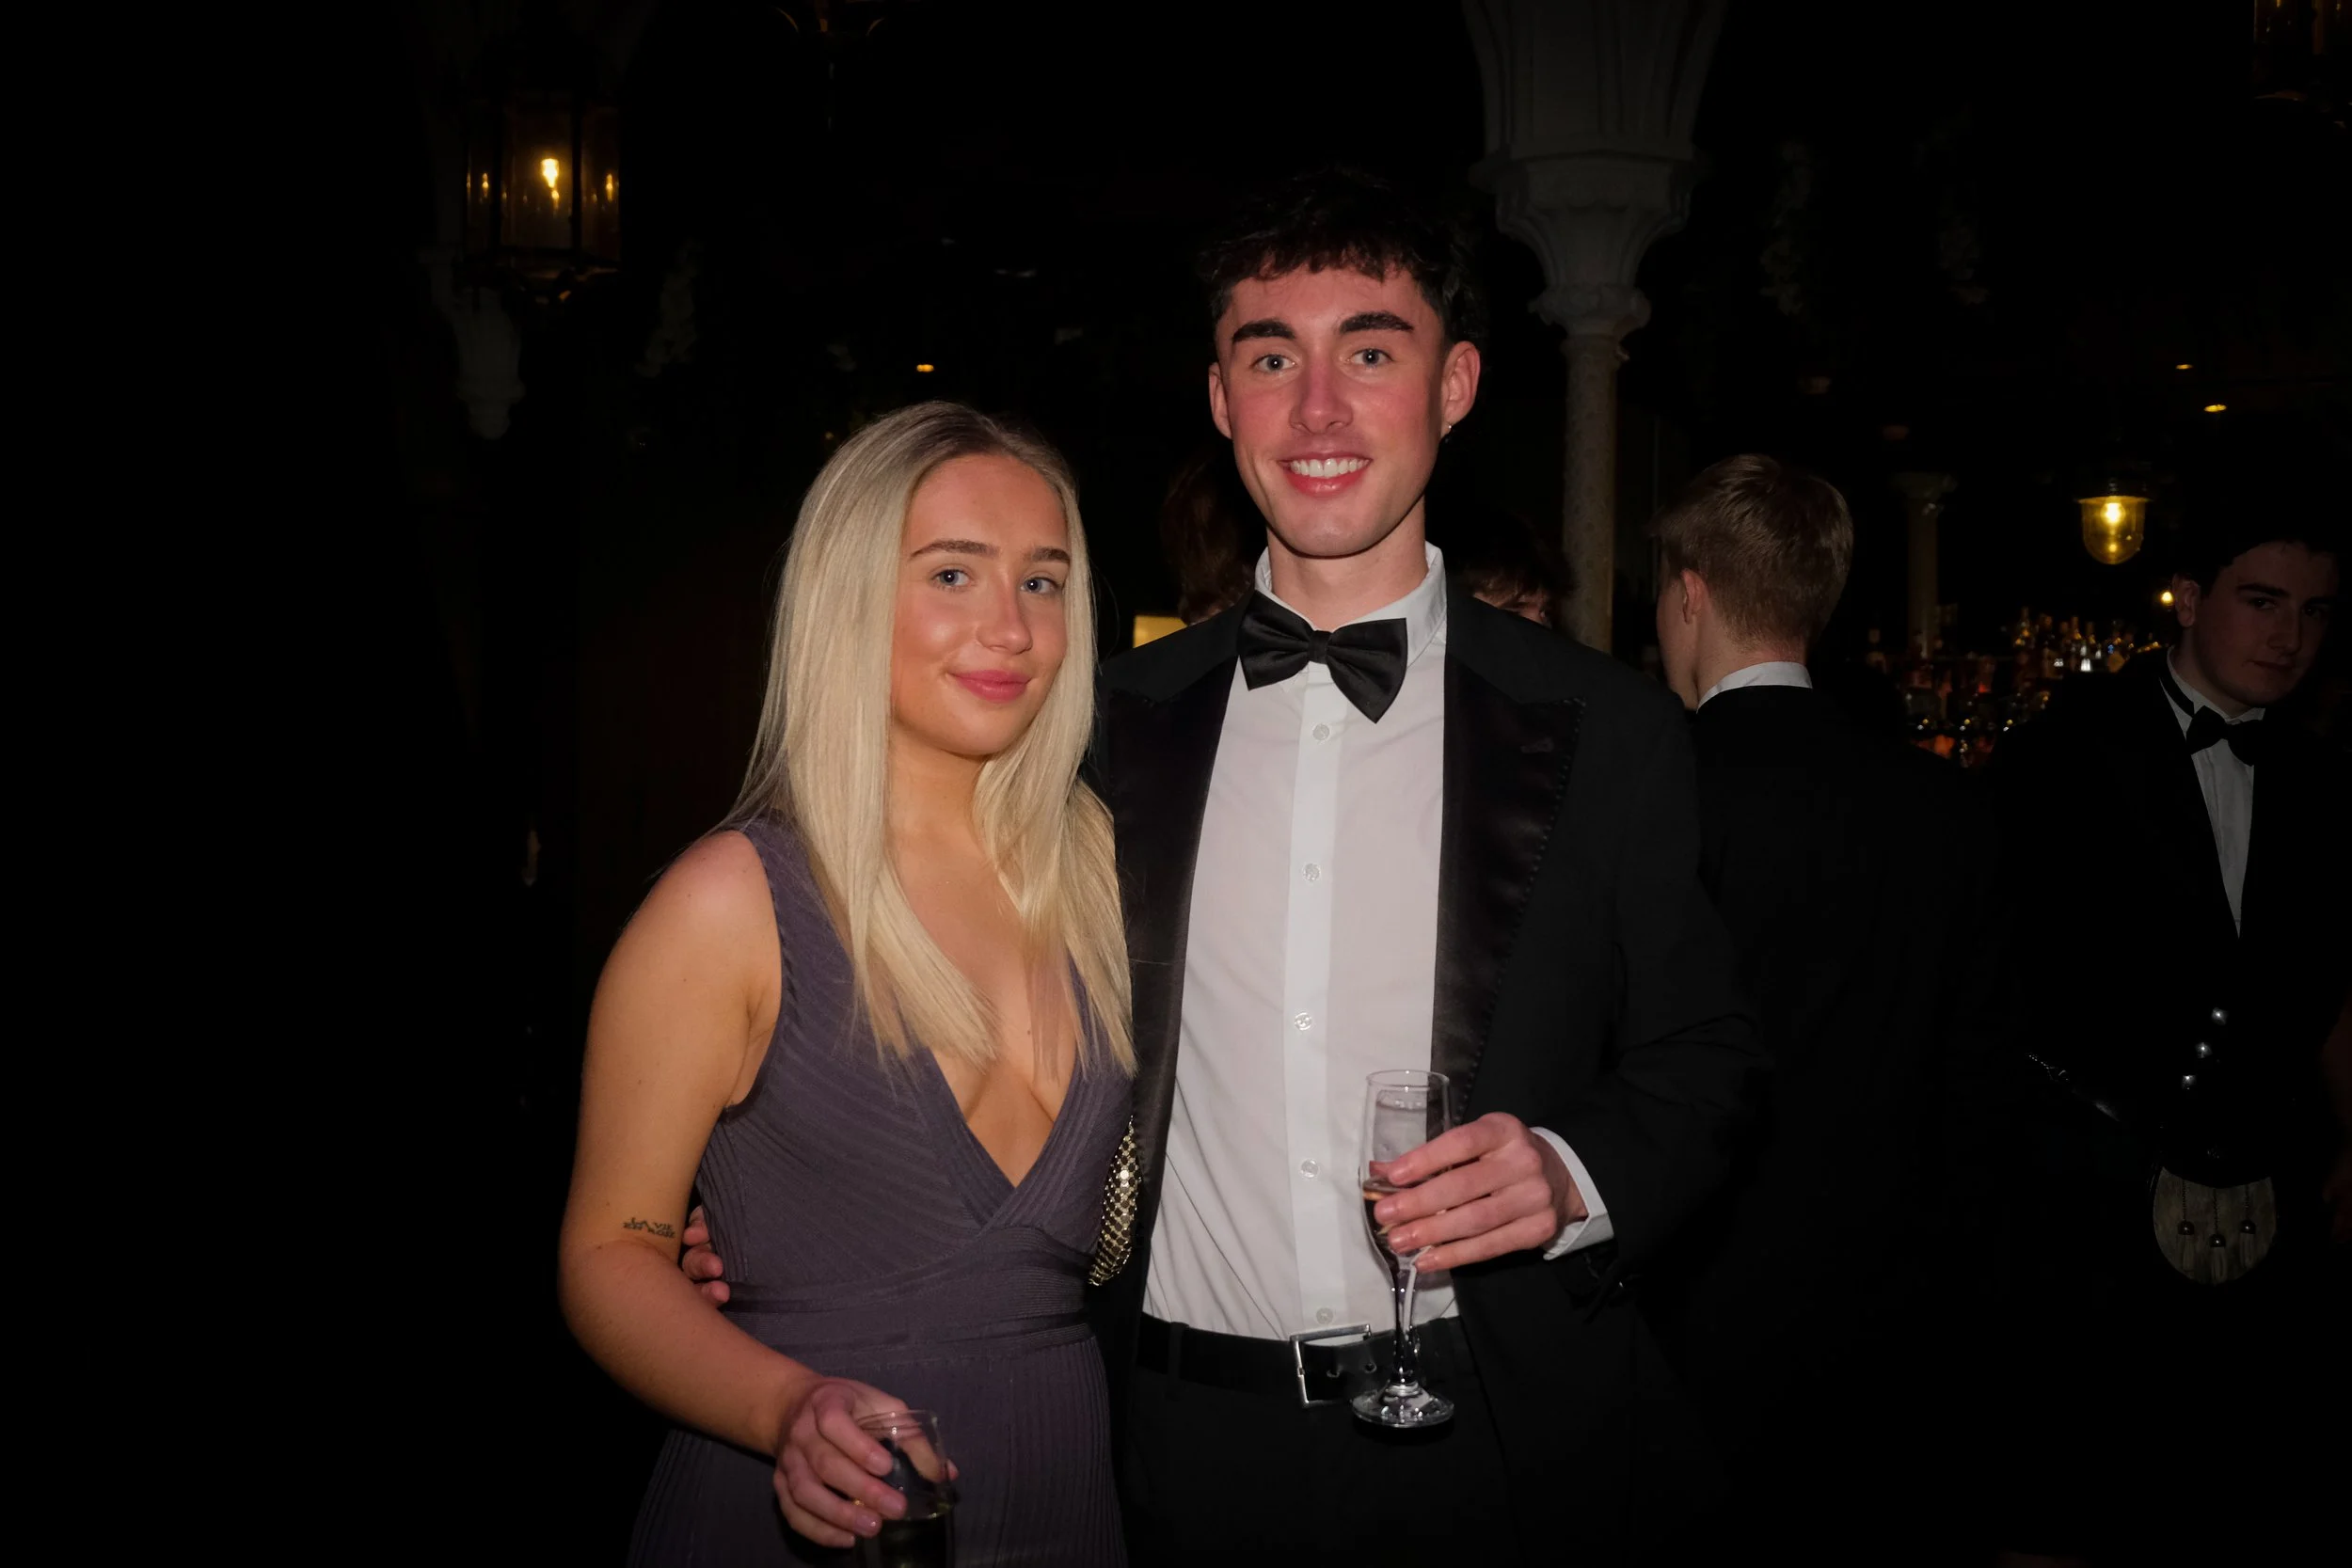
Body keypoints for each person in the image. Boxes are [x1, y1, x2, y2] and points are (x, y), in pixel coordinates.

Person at [1084, 168, 1757, 1564]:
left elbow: (1710, 1052)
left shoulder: (1613, 728)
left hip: (1500, 1441)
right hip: (1174, 1444)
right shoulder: (1104, 727)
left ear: (1455, 383)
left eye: (1370, 352)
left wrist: (1572, 1169)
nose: (1317, 410)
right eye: (1272, 356)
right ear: (1221, 397)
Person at [560, 402, 1136, 1566]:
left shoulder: (1105, 873)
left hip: (1066, 1488)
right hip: (817, 1512)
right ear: (848, 596)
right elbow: (608, 1255)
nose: (1009, 626)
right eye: (952, 573)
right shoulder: (733, 901)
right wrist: (784, 1408)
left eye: (1042, 580)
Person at [1639, 455, 2017, 1563]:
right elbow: (1980, 1101)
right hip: (1890, 1334)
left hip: (1680, 1326)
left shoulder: (1647, 791)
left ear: (1692, 592)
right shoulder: (1948, 810)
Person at [1986, 482, 2346, 1566]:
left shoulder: (2326, 780)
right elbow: (1990, 980)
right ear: (2185, 597)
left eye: (2316, 611)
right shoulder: (2061, 754)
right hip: (2087, 1196)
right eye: (2261, 600)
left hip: (2273, 1191)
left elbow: (2329, 985)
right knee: (2077, 1499)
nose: (2289, 637)